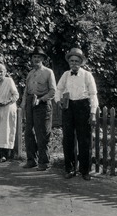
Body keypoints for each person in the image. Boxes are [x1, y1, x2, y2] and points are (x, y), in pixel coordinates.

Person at [55, 47, 98, 181]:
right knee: (68, 139)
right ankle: (70, 169)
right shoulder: (66, 75)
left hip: (83, 106)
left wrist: (93, 113)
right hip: (69, 107)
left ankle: (85, 171)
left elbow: (93, 94)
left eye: (76, 61)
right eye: (71, 61)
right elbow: (59, 89)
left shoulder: (87, 75)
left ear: (81, 62)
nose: (73, 63)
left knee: (84, 140)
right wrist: (58, 101)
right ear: (69, 62)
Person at [21, 47, 56, 171]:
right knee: (28, 133)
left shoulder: (48, 72)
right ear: (31, 58)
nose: (36, 59)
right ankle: (31, 160)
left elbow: (53, 91)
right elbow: (26, 90)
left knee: (42, 134)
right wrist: (24, 104)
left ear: (43, 59)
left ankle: (44, 162)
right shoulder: (30, 73)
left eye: (39, 57)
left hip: (42, 103)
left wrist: (41, 99)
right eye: (34, 57)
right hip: (31, 102)